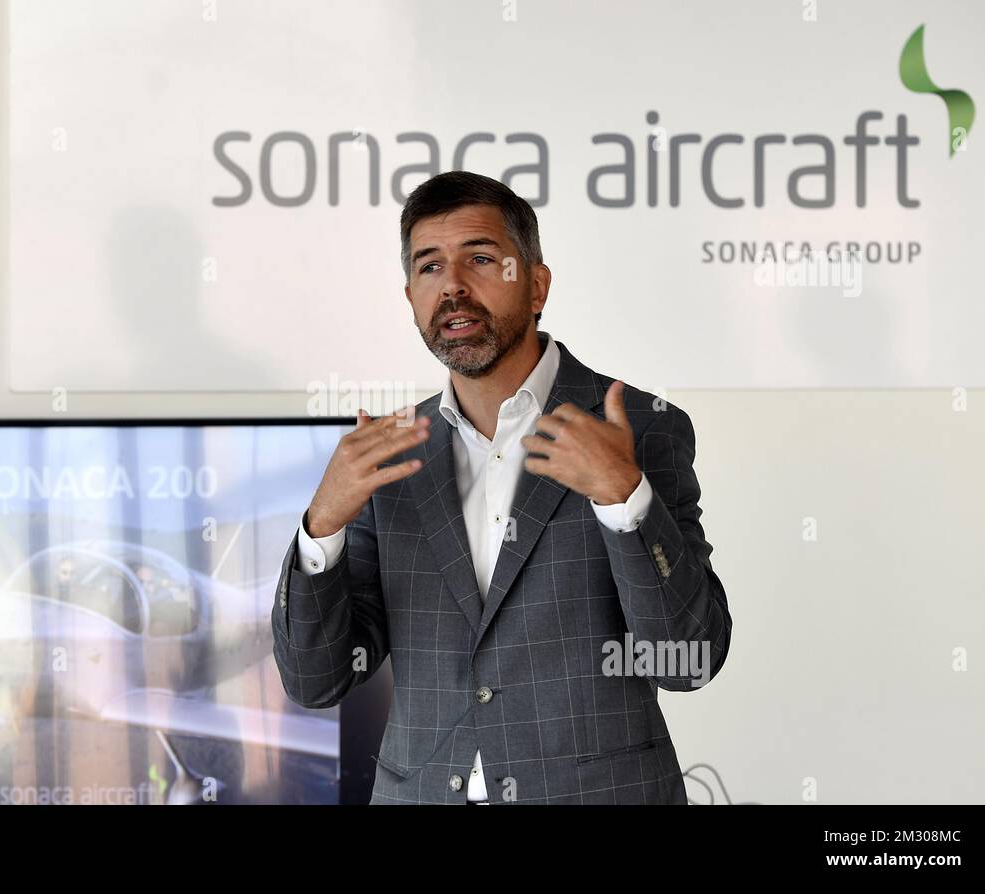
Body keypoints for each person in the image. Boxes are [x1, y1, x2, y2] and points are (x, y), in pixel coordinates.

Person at [271, 170, 733, 804]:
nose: (453, 286)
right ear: (410, 297)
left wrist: (625, 498)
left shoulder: (639, 428)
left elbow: (689, 658)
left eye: (481, 259)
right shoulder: (388, 454)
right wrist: (321, 526)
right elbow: (314, 682)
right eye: (430, 267)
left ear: (537, 284)